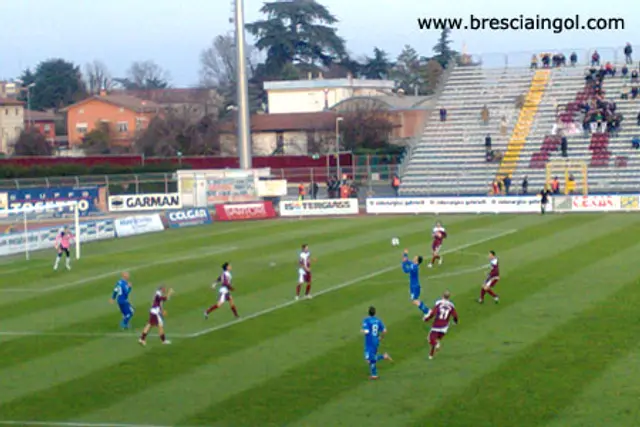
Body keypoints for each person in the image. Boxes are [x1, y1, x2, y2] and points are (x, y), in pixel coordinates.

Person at [423, 290, 458, 360]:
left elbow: (433, 313)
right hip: (445, 327)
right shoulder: (451, 305)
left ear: (442, 296)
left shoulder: (439, 303)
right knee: (436, 340)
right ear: (449, 297)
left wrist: (426, 319)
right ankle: (431, 355)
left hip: (437, 325)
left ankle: (436, 345)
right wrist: (455, 322)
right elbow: (455, 315)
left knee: (430, 339)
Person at [361, 306, 392, 379]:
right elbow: (384, 330)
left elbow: (367, 331)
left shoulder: (366, 320)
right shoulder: (378, 320)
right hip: (376, 340)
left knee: (368, 358)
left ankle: (384, 356)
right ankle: (374, 374)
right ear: (375, 313)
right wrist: (381, 337)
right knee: (371, 357)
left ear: (368, 312)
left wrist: (362, 331)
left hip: (369, 342)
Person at [402, 249, 431, 316]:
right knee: (415, 300)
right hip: (414, 285)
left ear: (417, 261)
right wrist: (405, 254)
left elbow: (405, 270)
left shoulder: (414, 266)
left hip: (414, 286)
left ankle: (427, 312)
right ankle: (427, 311)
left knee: (415, 301)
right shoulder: (414, 265)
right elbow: (407, 261)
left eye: (415, 257)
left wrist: (403, 263)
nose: (414, 257)